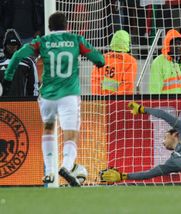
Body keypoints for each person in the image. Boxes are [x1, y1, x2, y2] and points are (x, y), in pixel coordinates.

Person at [1, 12, 105, 187]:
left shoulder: (42, 42)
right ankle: (66, 166)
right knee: (70, 133)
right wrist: (99, 61)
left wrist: (9, 77)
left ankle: (49, 171)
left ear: (49, 28)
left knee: (48, 129)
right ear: (67, 26)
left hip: (48, 95)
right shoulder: (76, 40)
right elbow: (99, 59)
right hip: (69, 94)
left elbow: (18, 55)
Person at [91, 30, 137, 95]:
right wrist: (117, 99)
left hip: (102, 100)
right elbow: (128, 84)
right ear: (127, 43)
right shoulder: (130, 61)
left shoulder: (102, 58)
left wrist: (98, 98)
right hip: (120, 101)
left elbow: (95, 80)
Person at [0, 29, 39, 97]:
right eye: (10, 45)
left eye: (15, 45)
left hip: (22, 104)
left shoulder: (28, 63)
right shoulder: (1, 63)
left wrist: (34, 101)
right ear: (5, 46)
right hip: (3, 104)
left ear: (18, 46)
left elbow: (34, 85)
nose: (12, 48)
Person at [149, 29, 181, 94]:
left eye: (180, 44)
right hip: (166, 102)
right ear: (168, 45)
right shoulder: (158, 62)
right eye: (175, 44)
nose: (178, 47)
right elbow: (155, 89)